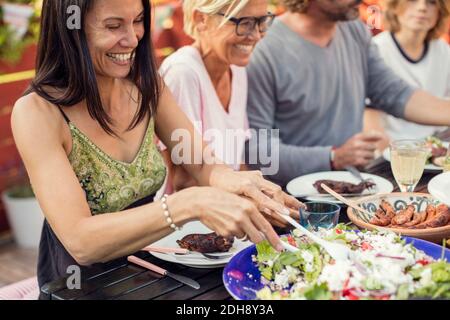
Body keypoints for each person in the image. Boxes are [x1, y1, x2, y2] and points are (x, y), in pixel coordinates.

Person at [11, 0, 301, 294]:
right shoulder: (37, 113)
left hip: (146, 270)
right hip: (77, 284)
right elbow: (81, 242)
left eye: (137, 21)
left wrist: (245, 185)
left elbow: (200, 164)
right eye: (113, 26)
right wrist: (187, 204)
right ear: (69, 28)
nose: (132, 38)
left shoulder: (147, 86)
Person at [245, 0, 450, 187]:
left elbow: (393, 92)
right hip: (293, 203)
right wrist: (333, 157)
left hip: (355, 187)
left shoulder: (354, 30)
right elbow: (258, 151)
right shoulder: (264, 48)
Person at [159, 0, 275, 191]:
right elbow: (184, 180)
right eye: (244, 23)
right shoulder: (183, 73)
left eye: (262, 21)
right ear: (201, 19)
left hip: (227, 206)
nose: (255, 35)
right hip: (189, 216)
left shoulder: (236, 69)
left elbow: (237, 163)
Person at [364, 0, 450, 151]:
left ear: (440, 12)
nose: (422, 7)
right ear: (395, 6)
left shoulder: (444, 51)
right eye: (412, 0)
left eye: (431, 2)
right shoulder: (377, 50)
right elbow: (371, 123)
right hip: (393, 153)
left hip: (436, 147)